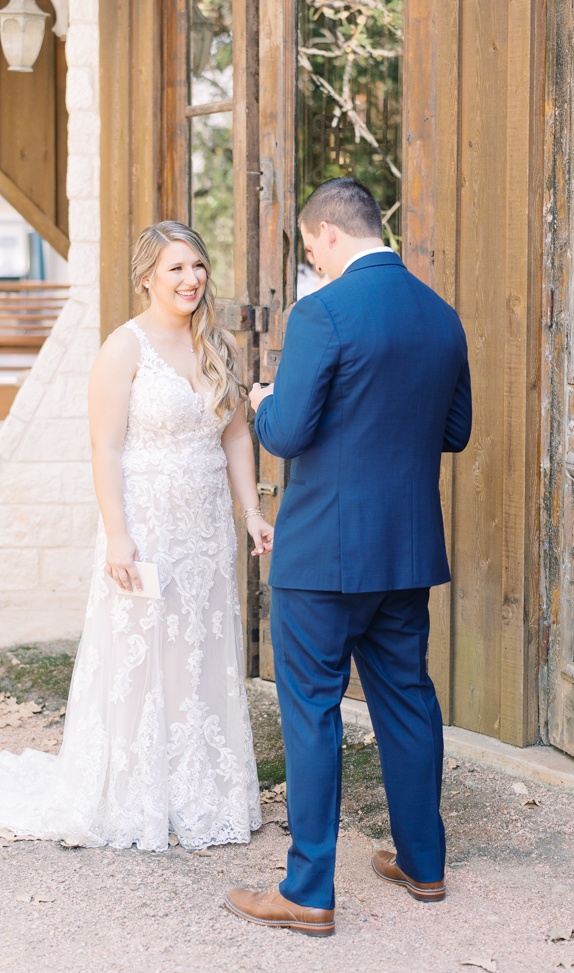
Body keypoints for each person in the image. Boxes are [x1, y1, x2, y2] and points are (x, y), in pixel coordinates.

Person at [0, 220, 270, 851]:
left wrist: (251, 512)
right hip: (145, 527)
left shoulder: (220, 346)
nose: (191, 279)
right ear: (147, 276)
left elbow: (234, 434)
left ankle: (203, 791)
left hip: (205, 531)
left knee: (200, 651)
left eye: (198, 266)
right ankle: (133, 793)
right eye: (176, 268)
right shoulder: (124, 348)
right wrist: (117, 535)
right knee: (143, 654)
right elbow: (106, 448)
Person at [225, 178, 472, 937]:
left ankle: (307, 891)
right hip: (405, 553)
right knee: (407, 700)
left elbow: (288, 432)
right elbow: (455, 432)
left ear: (329, 234)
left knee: (311, 711)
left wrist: (264, 397)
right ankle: (422, 863)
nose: (312, 262)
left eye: (310, 249)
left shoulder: (322, 312)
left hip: (323, 554)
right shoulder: (441, 316)